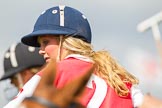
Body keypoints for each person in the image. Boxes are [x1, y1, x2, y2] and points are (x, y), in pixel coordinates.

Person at [4, 5, 144, 108]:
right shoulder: (119, 78)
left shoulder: (55, 72)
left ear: (65, 40)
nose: (41, 50)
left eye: (45, 42)